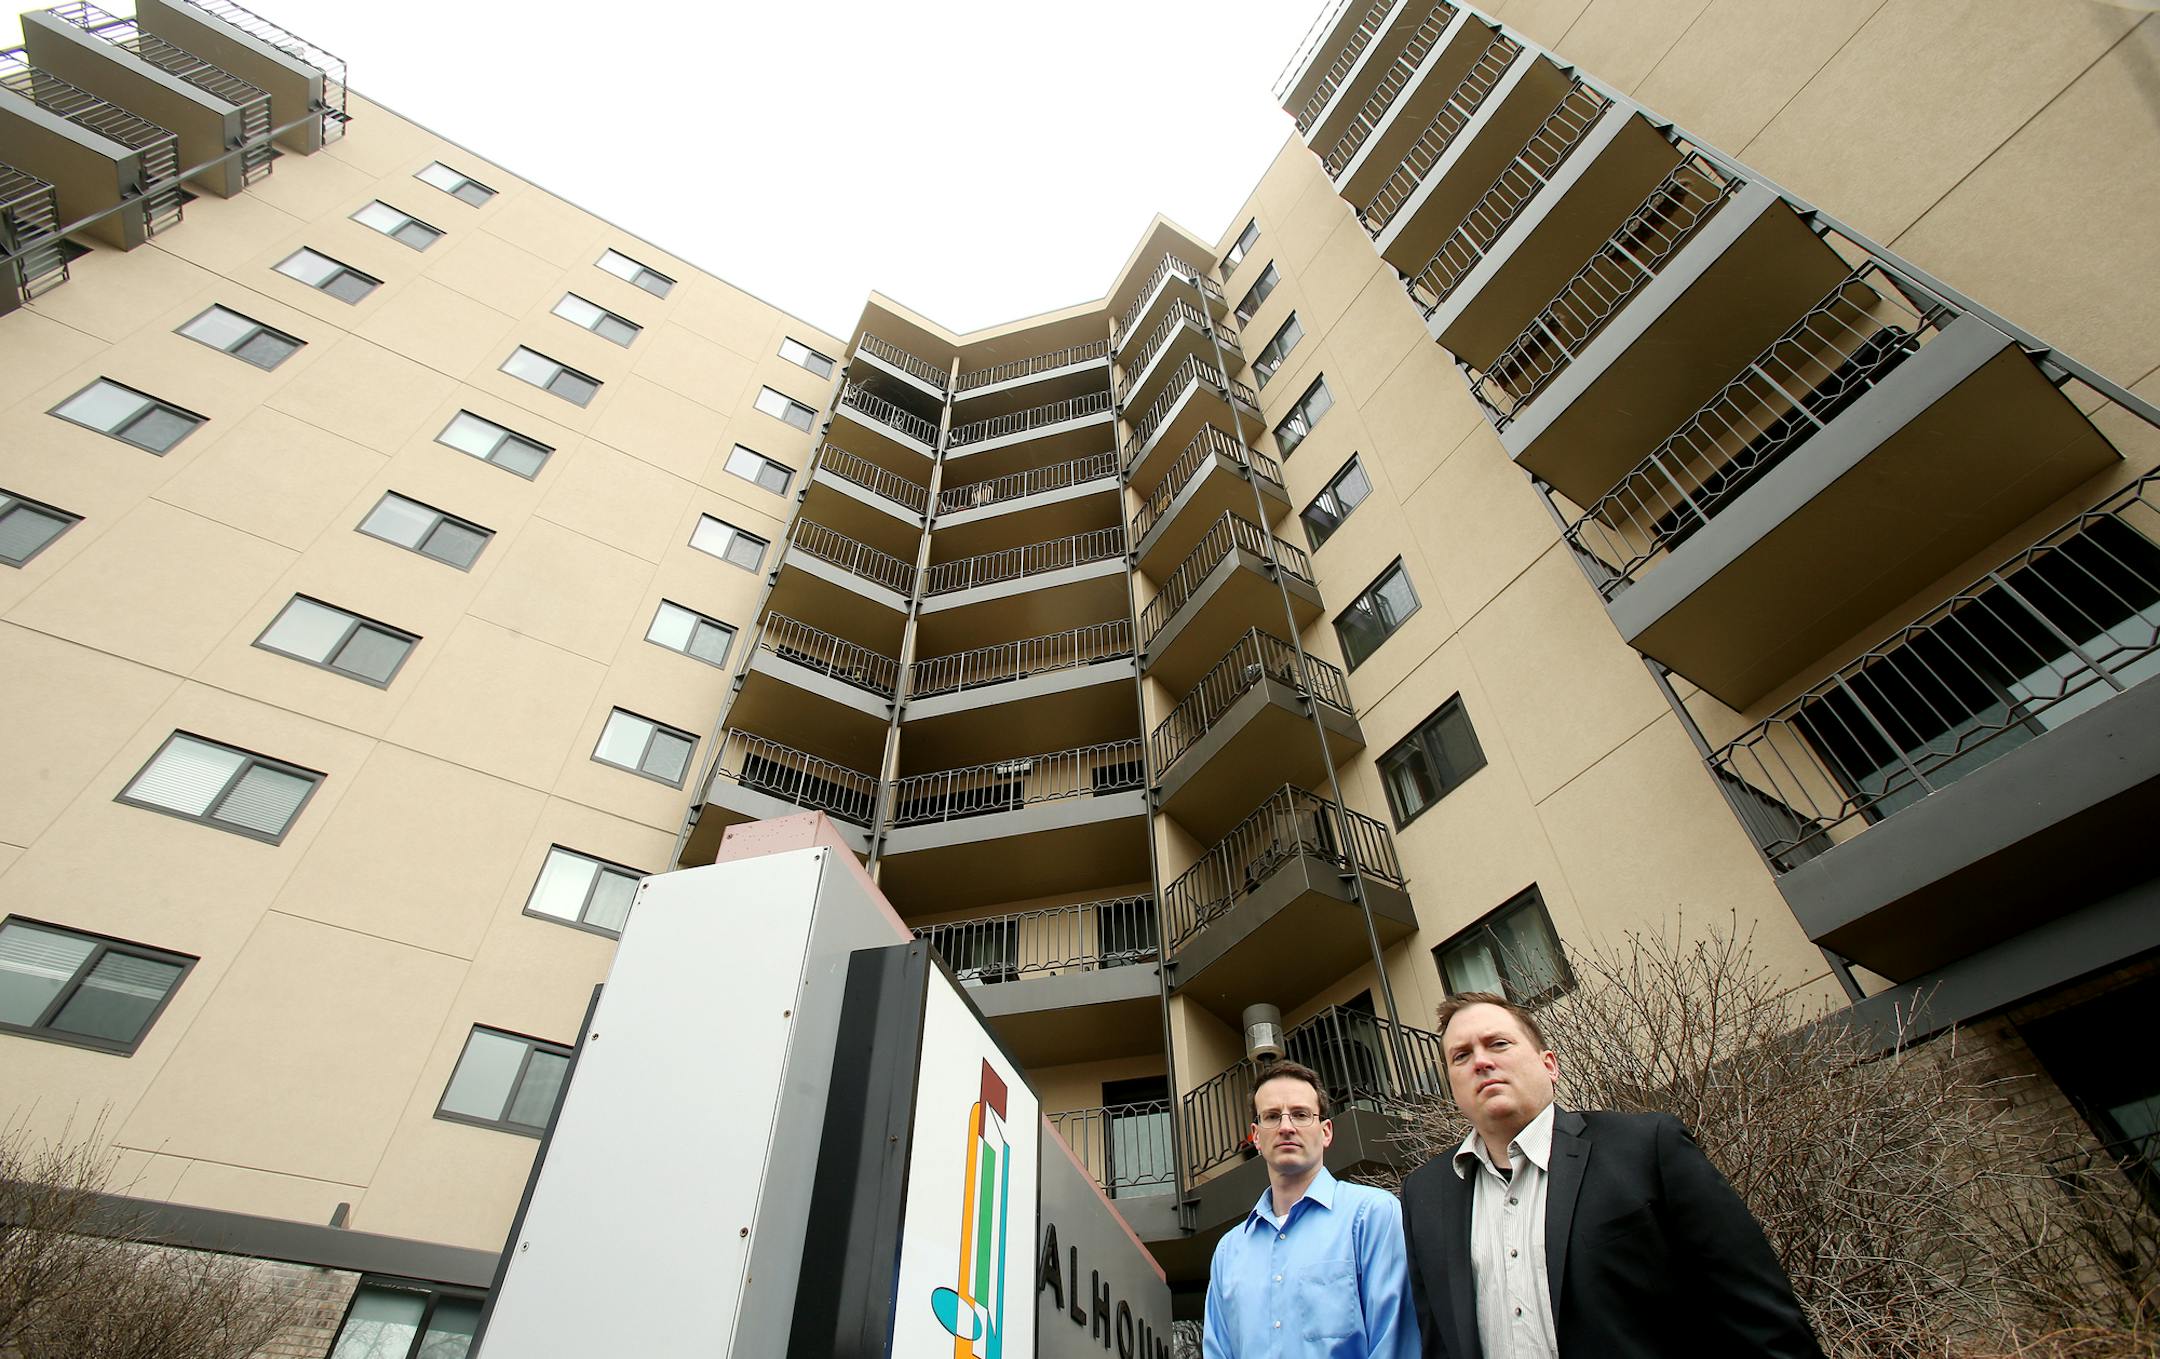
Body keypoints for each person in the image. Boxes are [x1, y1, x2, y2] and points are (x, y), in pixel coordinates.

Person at [1401, 992, 1824, 1359]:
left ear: (1550, 1064)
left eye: (1498, 1044)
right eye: (1461, 1055)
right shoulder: (1424, 1194)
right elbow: (1439, 1342)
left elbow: (1758, 1317)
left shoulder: (1646, 1148)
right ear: (1452, 1086)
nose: (1481, 1062)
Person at [1203, 1059, 1419, 1359]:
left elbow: (1395, 1344)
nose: (1286, 1127)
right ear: (1256, 1137)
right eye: (1272, 1116)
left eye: (1301, 1114)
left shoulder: (1372, 1215)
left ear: (1326, 1131)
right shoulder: (1228, 1252)